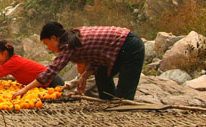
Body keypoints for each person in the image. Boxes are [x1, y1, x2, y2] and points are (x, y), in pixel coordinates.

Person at [13, 22, 144, 100]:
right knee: (103, 81)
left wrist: (25, 90)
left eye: (47, 44)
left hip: (129, 45)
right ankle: (109, 107)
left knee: (124, 96)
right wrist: (84, 76)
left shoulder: (68, 44)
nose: (49, 48)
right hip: (117, 47)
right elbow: (97, 56)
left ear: (54, 37)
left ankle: (124, 120)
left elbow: (51, 71)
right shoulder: (73, 36)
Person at [0, 40, 65, 87]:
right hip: (48, 82)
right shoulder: (13, 61)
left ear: (5, 53)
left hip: (53, 82)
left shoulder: (14, 62)